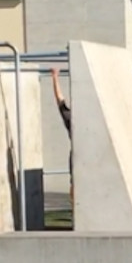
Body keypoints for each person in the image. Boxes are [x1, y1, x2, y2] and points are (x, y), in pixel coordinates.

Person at [51, 67, 74, 204]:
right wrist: (55, 78)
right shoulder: (71, 118)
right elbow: (60, 99)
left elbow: (60, 100)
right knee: (75, 184)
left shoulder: (72, 118)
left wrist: (55, 77)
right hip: (77, 157)